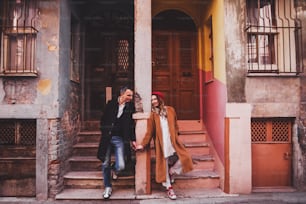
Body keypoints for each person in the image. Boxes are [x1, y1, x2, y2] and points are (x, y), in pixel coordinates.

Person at [136, 91, 193, 200]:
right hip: (162, 144)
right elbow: (149, 132)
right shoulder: (153, 115)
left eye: (155, 99)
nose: (153, 102)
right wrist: (143, 145)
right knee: (164, 165)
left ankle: (173, 171)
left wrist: (176, 135)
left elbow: (175, 125)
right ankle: (169, 189)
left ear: (160, 99)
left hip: (173, 141)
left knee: (185, 157)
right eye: (152, 100)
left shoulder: (170, 110)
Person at [97, 86, 137, 199]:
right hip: (107, 138)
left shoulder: (130, 107)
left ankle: (113, 170)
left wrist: (133, 139)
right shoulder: (111, 104)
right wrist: (104, 131)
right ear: (122, 94)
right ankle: (108, 187)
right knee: (105, 163)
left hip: (119, 138)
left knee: (121, 165)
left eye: (132, 96)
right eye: (129, 95)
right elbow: (103, 119)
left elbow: (130, 125)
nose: (130, 98)